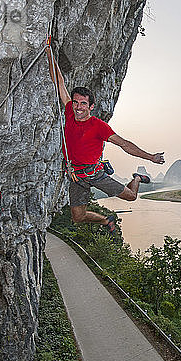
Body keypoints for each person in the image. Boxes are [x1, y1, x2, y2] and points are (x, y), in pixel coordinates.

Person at [45, 41, 164, 233]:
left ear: (91, 106)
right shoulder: (68, 111)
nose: (78, 107)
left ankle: (137, 178)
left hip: (96, 173)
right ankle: (106, 221)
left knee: (131, 197)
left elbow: (124, 144)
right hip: (76, 175)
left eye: (83, 104)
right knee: (78, 217)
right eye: (76, 103)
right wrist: (49, 52)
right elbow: (59, 83)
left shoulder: (99, 126)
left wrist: (150, 157)